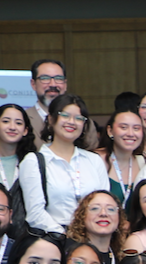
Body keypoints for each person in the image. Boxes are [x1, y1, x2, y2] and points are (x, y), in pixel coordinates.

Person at [17, 94, 110, 231]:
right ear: (51, 119)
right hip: (54, 240)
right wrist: (65, 237)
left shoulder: (94, 160)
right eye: (65, 116)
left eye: (78, 118)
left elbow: (105, 204)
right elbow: (35, 214)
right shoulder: (33, 161)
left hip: (93, 237)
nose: (71, 122)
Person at [27, 60, 100, 149]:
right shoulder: (23, 120)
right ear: (33, 84)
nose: (53, 84)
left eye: (58, 79)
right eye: (45, 78)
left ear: (65, 85)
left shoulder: (83, 122)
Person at [66, 189, 126, 264]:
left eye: (111, 209)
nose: (103, 214)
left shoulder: (120, 258)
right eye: (95, 208)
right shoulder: (68, 251)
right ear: (82, 216)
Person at [96, 105, 146, 206]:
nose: (131, 133)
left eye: (136, 128)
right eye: (124, 127)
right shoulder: (95, 160)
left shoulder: (143, 162)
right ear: (110, 131)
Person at [0, 103, 36, 191]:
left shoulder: (31, 161)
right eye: (6, 121)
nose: (12, 127)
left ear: (25, 130)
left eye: (18, 123)